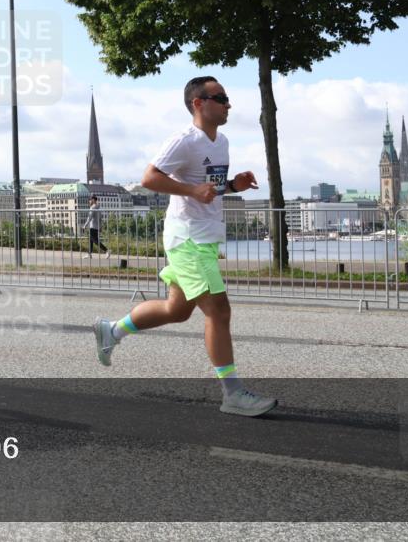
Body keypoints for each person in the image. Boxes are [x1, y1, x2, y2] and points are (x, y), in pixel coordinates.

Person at [92, 77, 277, 417]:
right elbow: (149, 178)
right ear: (198, 102)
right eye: (220, 97)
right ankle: (233, 393)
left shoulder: (221, 142)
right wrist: (191, 192)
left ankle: (112, 330)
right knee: (219, 311)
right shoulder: (184, 141)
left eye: (227, 97)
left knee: (176, 310)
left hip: (204, 238)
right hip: (187, 238)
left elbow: (211, 188)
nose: (227, 104)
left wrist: (233, 185)